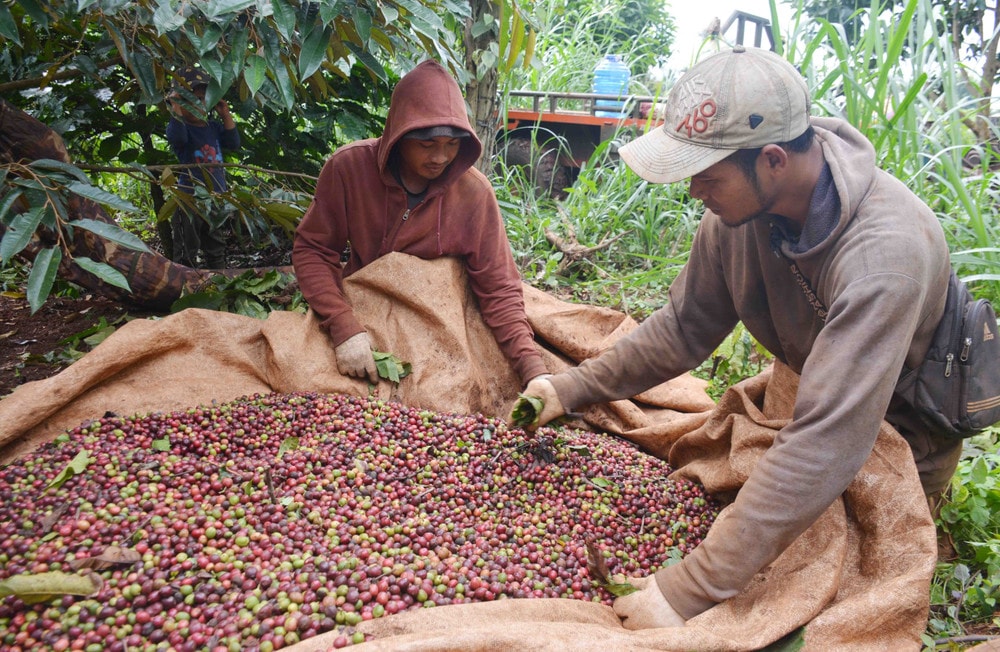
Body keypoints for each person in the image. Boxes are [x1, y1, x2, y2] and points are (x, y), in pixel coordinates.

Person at [516, 46, 961, 627]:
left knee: (842, 588)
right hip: (820, 397)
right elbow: (681, 328)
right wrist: (571, 387)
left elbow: (828, 439)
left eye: (706, 175)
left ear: (772, 160)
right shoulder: (737, 217)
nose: (694, 190)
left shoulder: (884, 256)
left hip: (902, 428)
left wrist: (687, 589)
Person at [292, 59, 547, 387]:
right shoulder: (348, 169)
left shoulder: (474, 192)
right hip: (366, 310)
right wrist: (344, 329)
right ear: (399, 136)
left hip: (443, 323)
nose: (441, 157)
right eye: (427, 144)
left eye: (452, 144)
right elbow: (313, 249)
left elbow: (499, 286)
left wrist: (532, 369)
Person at [165, 66, 240, 269]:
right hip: (190, 198)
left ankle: (219, 279)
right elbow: (177, 138)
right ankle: (183, 285)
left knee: (216, 244)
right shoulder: (181, 128)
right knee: (186, 247)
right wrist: (176, 110)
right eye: (190, 101)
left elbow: (233, 143)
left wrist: (225, 115)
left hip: (215, 197)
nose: (198, 105)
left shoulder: (213, 127)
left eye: (203, 99)